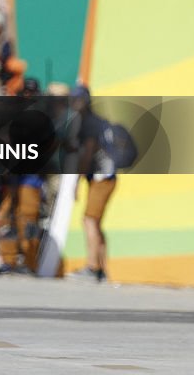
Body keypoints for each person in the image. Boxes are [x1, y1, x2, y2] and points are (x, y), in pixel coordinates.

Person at [70, 85, 116, 283]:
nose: (75, 103)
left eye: (78, 100)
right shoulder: (96, 121)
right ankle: (101, 269)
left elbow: (88, 154)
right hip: (106, 177)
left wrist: (77, 180)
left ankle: (92, 267)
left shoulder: (88, 123)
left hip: (101, 177)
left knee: (89, 220)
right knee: (95, 222)